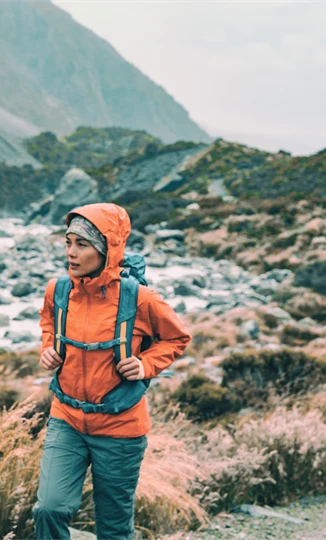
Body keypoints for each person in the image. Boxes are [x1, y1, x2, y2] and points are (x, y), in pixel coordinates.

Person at [33, 203, 191, 539]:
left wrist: (146, 364)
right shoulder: (58, 289)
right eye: (68, 242)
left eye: (82, 245)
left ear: (106, 249)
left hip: (121, 427)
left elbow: (177, 337)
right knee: (49, 508)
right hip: (67, 418)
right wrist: (48, 347)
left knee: (114, 528)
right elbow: (48, 319)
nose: (71, 253)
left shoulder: (141, 298)